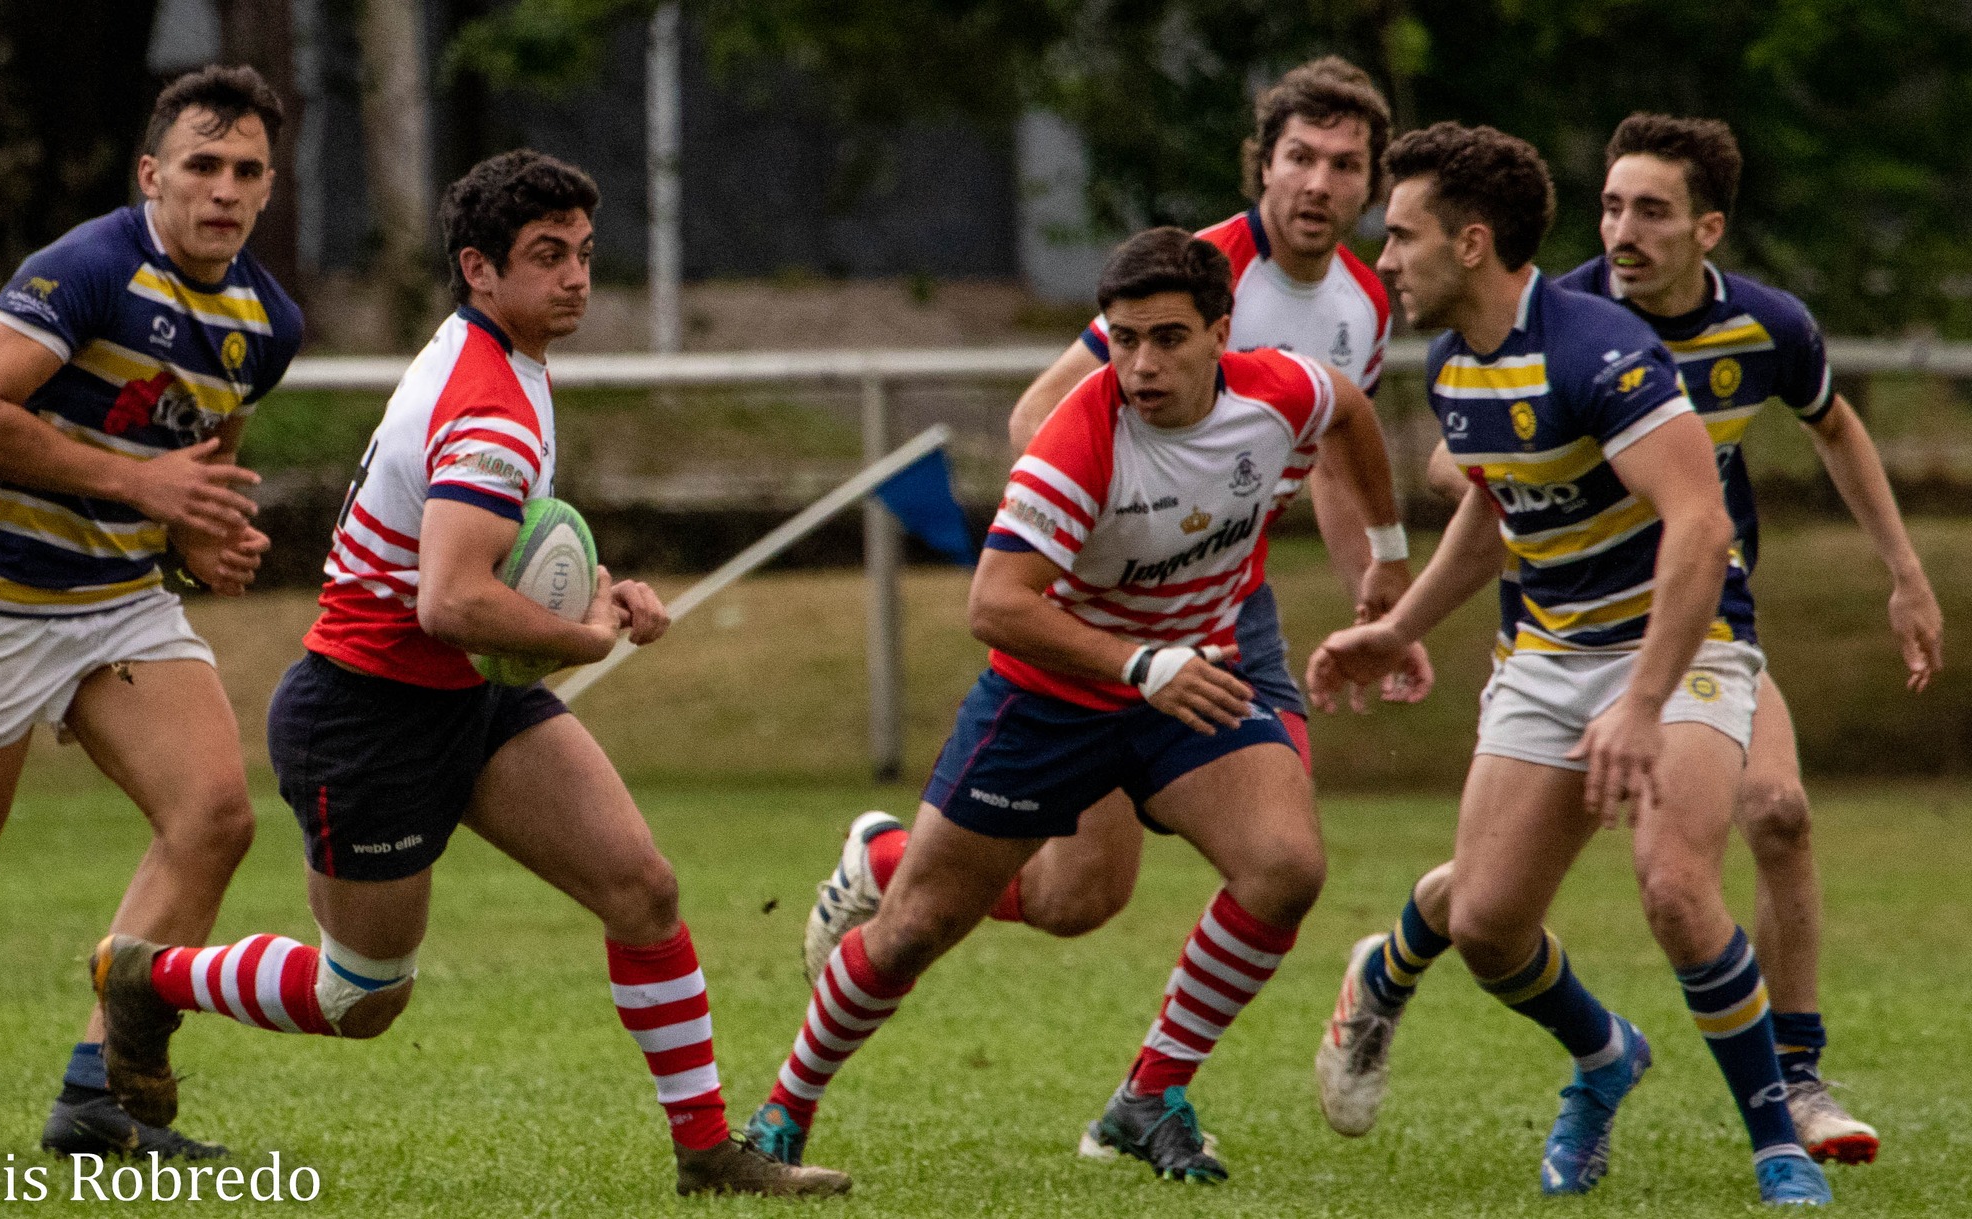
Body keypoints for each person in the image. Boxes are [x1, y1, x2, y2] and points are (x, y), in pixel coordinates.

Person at [81, 149, 849, 1197]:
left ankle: (706, 1151)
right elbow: (450, 600)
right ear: (478, 269)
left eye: (582, 252)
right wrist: (586, 636)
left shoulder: (499, 355)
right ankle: (145, 973)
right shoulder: (489, 398)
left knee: (643, 888)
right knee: (362, 994)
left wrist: (600, 590)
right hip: (366, 714)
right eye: (547, 256)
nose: (576, 276)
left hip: (468, 692)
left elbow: (507, 547)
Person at [1321, 113, 1942, 1168]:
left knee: (1719, 851)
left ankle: (1785, 1113)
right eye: (1609, 205)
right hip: (1549, 645)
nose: (1621, 230)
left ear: (1705, 229)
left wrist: (1901, 570)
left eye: (1648, 209)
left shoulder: (1714, 334)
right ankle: (1570, 1038)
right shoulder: (1488, 343)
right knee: (1482, 917)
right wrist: (1397, 623)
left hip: (1689, 630)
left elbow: (1735, 500)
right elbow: (1487, 490)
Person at [743, 226, 1411, 1184]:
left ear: (1224, 331)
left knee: (1286, 864)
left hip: (1195, 678)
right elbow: (994, 605)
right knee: (919, 926)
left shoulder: (1283, 391)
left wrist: (1386, 544)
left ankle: (1147, 1096)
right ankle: (782, 1112)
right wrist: (1142, 665)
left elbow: (1349, 410)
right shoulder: (1078, 442)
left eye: (1169, 338)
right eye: (1125, 337)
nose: (1142, 363)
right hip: (1055, 696)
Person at [801, 56, 1429, 991]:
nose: (1319, 182)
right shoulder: (1196, 278)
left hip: (1232, 605)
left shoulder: (1365, 303)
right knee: (1077, 896)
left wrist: (1374, 585)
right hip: (1113, 611)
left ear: (1372, 184)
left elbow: (1331, 447)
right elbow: (1037, 419)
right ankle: (891, 862)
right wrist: (1098, 567)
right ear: (1262, 166)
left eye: (1345, 165)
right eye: (1301, 156)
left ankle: (1153, 1091)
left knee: (1274, 861)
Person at [0, 65, 298, 1160]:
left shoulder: (267, 321)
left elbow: (203, 447)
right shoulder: (86, 268)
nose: (222, 189)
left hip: (120, 608)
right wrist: (143, 490)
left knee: (215, 818)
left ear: (269, 187)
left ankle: (99, 1096)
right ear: (153, 174)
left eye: (246, 171)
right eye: (201, 166)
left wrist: (202, 531)